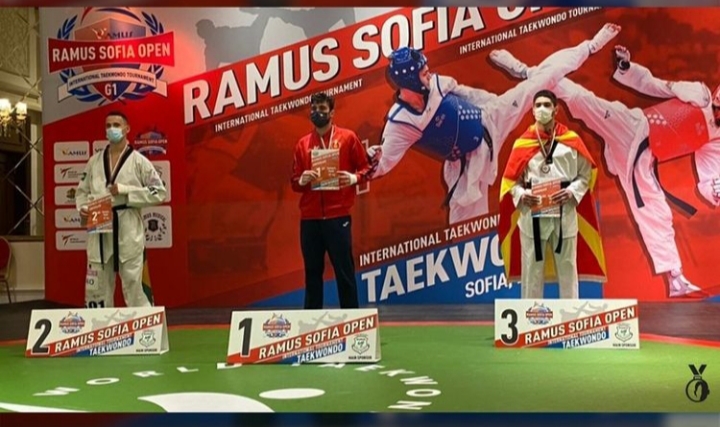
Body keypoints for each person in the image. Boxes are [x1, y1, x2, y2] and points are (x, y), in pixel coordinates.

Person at [489, 42, 719, 298]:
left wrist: (715, 190)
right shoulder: (700, 95)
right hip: (632, 126)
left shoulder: (716, 139)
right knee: (581, 99)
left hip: (640, 160)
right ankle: (525, 71)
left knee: (656, 212)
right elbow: (655, 85)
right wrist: (627, 68)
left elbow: (709, 181)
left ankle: (676, 280)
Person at [366, 23, 621, 225]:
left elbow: (466, 93)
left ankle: (590, 46)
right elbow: (383, 160)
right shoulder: (401, 122)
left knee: (540, 82)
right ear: (409, 81)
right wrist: (373, 158)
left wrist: (497, 103)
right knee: (465, 222)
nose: (429, 74)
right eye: (423, 73)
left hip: (490, 118)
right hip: (467, 164)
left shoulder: (437, 84)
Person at [498, 90, 606, 299]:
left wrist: (571, 191)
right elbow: (511, 181)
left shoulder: (571, 141)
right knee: (531, 270)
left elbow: (586, 175)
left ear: (556, 110)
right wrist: (522, 195)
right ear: (532, 110)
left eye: (547, 105)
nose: (542, 109)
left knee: (568, 269)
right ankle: (530, 316)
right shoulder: (522, 143)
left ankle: (570, 314)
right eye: (538, 105)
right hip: (532, 213)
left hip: (564, 211)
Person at [75, 111, 167, 308]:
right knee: (97, 287)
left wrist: (126, 191)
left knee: (134, 285)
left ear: (127, 129)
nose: (112, 129)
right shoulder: (94, 161)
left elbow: (159, 192)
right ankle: (99, 325)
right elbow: (81, 191)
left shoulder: (139, 161)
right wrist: (83, 208)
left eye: (116, 125)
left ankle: (142, 326)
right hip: (99, 223)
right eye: (108, 125)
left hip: (128, 225)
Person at [290, 92, 371, 309]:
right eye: (314, 109)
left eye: (322, 109)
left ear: (332, 113)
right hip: (310, 220)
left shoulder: (348, 138)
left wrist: (354, 178)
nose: (317, 113)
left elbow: (367, 168)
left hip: (338, 217)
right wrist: (302, 180)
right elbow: (294, 182)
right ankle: (310, 323)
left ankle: (352, 321)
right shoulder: (303, 144)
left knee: (344, 272)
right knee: (312, 274)